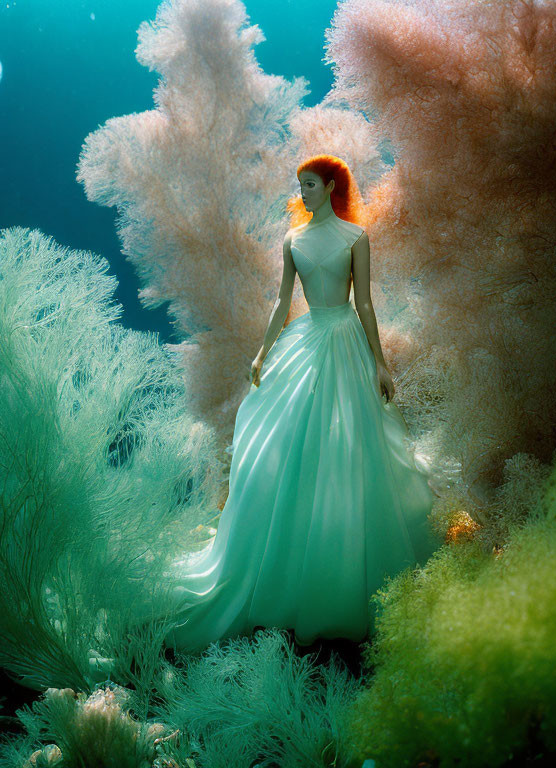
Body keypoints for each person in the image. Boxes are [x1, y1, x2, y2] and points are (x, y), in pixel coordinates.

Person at [164, 154, 442, 654]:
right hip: (305, 341)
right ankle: (290, 570)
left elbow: (366, 304)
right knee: (291, 443)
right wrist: (262, 350)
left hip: (345, 343)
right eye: (301, 184)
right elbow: (281, 300)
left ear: (332, 185)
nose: (302, 192)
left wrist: (381, 363)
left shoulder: (356, 238)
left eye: (310, 184)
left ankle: (342, 568)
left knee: (353, 447)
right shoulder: (293, 240)